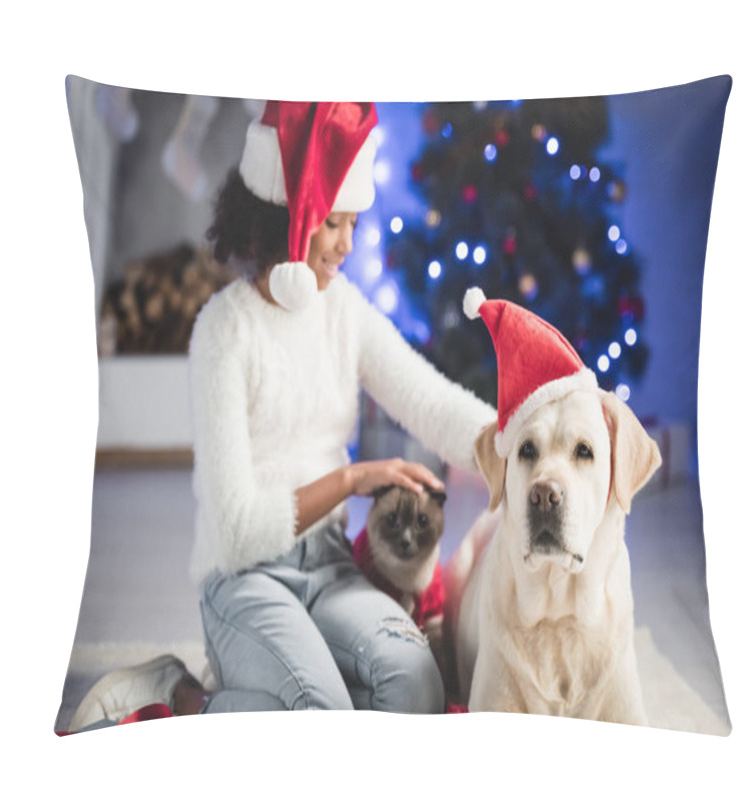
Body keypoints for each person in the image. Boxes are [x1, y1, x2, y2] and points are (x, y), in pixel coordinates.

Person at [66, 101, 495, 732]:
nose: (348, 245)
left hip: (327, 566)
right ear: (286, 221)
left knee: (417, 684)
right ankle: (179, 694)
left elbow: (427, 399)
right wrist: (349, 481)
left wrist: (517, 436)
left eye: (353, 223)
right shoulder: (223, 331)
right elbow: (237, 530)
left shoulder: (341, 309)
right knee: (319, 717)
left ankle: (258, 696)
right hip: (243, 578)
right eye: (334, 224)